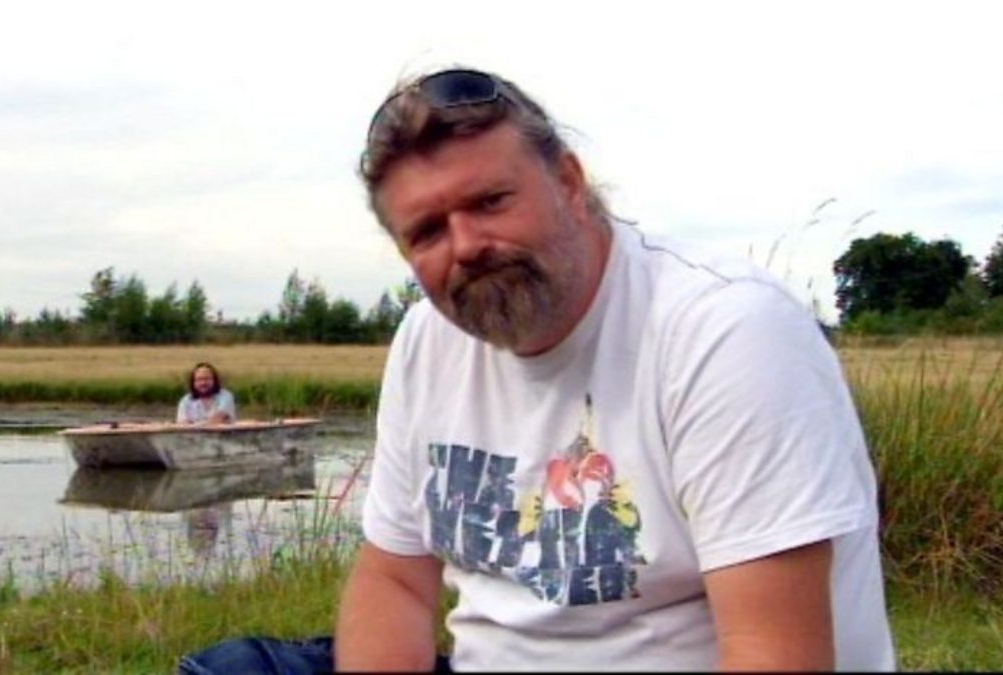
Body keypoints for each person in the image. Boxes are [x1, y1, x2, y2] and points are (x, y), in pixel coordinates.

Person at [180, 68, 894, 673]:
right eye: (427, 231)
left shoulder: (726, 330)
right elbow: (395, 578)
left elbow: (773, 652)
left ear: (570, 183)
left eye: (490, 201)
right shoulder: (427, 338)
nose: (466, 245)